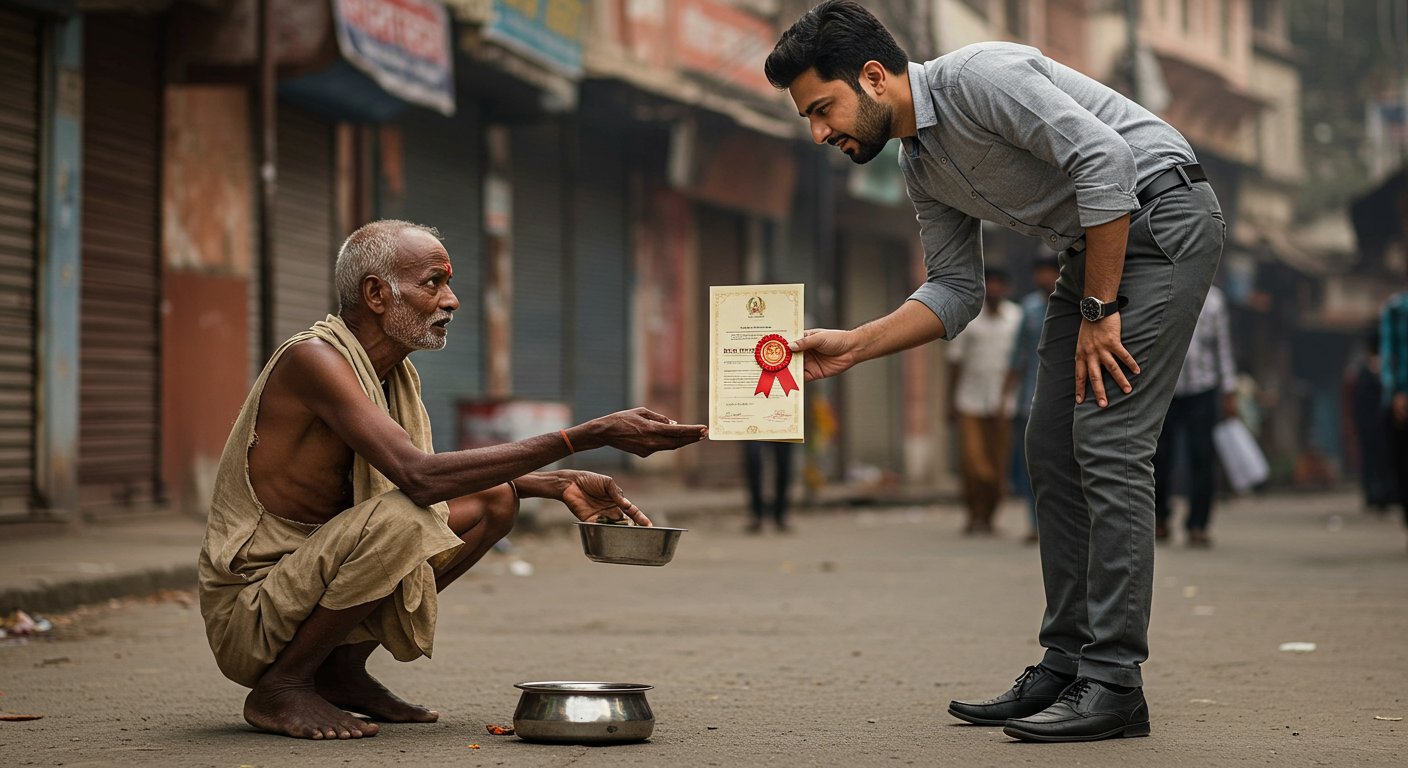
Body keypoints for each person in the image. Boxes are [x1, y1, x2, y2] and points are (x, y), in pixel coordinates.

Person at [766, 1, 1224, 742]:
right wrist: (854, 343)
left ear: (874, 76)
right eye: (809, 120)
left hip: (1162, 219)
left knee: (1108, 444)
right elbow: (955, 290)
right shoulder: (923, 164)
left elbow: (1106, 158)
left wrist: (1102, 308)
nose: (820, 133)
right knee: (1048, 448)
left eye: (823, 108)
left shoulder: (982, 76)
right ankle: (1068, 662)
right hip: (1096, 248)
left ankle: (1114, 682)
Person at [197, 220, 706, 740]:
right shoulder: (315, 360)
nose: (452, 300)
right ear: (376, 293)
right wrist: (585, 435)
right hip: (254, 614)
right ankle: (281, 687)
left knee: (493, 503)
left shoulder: (391, 373)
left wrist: (551, 483)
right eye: (433, 283)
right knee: (408, 517)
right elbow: (418, 481)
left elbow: (429, 480)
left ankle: (338, 671)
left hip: (307, 583)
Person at [1152, 284, 1238, 547]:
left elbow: (1222, 346)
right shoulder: (1159, 286)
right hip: (1163, 387)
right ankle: (1159, 519)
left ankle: (1198, 524)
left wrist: (1229, 390)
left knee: (1201, 455)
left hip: (1202, 389)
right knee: (1158, 456)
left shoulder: (1214, 299)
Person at [947, 268, 1021, 534]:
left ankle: (988, 517)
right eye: (991, 283)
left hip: (1004, 405)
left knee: (998, 465)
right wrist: (949, 402)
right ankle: (973, 512)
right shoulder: (970, 319)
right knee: (974, 463)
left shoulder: (1015, 319)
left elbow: (1020, 363)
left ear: (1007, 288)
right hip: (970, 401)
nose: (995, 289)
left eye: (1000, 283)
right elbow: (954, 362)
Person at [1004, 255, 1061, 543]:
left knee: (1063, 466)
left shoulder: (1073, 303)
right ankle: (1035, 524)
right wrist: (1006, 395)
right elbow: (1018, 355)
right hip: (1030, 397)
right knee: (1033, 466)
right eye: (1039, 273)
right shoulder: (1028, 309)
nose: (1043, 279)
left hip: (1065, 398)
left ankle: (1061, 524)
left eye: (1048, 272)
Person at [1346, 330, 1396, 512]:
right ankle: (1375, 496)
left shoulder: (1383, 370)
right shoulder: (1365, 372)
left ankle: (1384, 495)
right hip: (1370, 426)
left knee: (1382, 461)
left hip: (1379, 425)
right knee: (1373, 462)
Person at [1382, 282, 1408, 538]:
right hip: (1401, 397)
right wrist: (1395, 394)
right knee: (1401, 463)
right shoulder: (1396, 309)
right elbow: (1388, 352)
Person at [743, 441, 796, 533]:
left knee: (784, 465)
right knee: (753, 461)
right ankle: (757, 514)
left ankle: (780, 515)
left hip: (782, 428)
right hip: (753, 429)